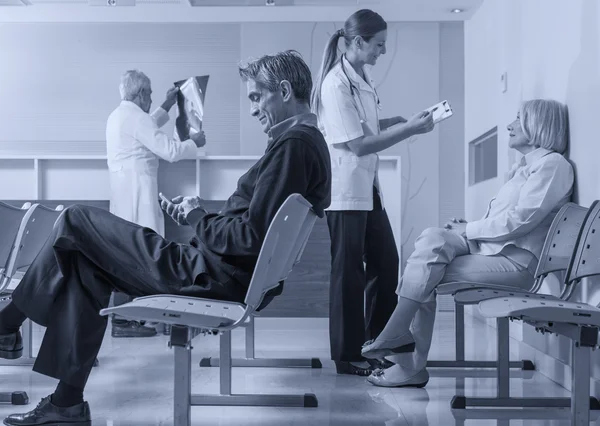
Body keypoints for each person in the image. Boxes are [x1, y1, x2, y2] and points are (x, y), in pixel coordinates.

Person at [0, 50, 331, 425]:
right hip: (213, 270)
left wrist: (197, 217)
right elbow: (253, 232)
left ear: (284, 91)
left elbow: (249, 236)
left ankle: (7, 324)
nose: (253, 109)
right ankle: (66, 404)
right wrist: (201, 220)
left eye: (257, 97)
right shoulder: (306, 142)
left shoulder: (293, 146)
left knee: (75, 219)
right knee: (85, 264)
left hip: (206, 274)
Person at [362, 99, 574, 387]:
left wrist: (469, 229)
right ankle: (399, 339)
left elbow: (521, 221)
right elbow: (510, 218)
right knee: (432, 238)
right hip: (492, 251)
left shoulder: (553, 166)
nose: (510, 126)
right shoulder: (526, 168)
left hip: (519, 262)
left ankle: (407, 358)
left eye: (518, 119)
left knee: (424, 272)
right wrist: (468, 229)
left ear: (539, 125)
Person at [311, 8, 436, 376]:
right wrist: (411, 130)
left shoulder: (359, 78)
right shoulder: (335, 84)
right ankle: (348, 354)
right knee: (347, 273)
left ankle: (378, 341)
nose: (382, 51)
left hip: (368, 188)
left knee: (385, 262)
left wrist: (397, 122)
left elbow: (364, 127)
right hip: (346, 191)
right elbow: (359, 145)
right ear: (357, 42)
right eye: (378, 45)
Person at [106, 70, 206, 338]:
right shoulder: (135, 118)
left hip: (125, 194)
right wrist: (193, 143)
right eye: (149, 93)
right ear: (139, 94)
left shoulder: (120, 115)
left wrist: (167, 105)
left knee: (126, 255)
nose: (151, 97)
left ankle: (127, 319)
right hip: (138, 194)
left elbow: (146, 127)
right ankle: (132, 320)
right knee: (142, 254)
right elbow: (170, 151)